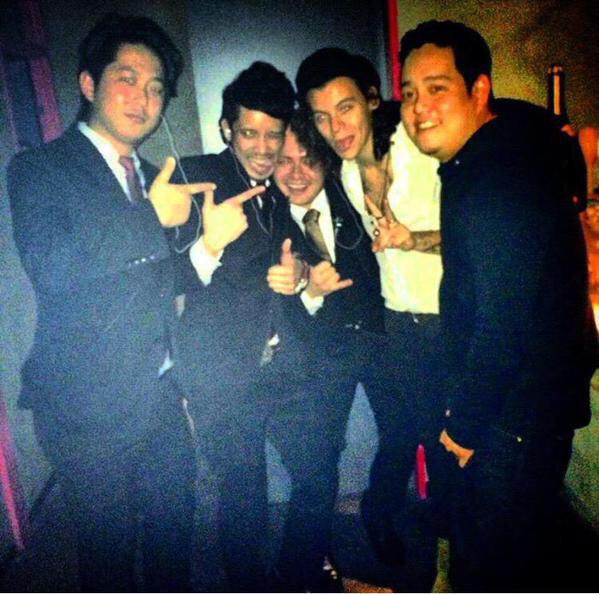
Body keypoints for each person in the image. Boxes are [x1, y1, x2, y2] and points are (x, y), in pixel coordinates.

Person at [6, 13, 214, 592]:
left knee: (175, 536)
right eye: (127, 79)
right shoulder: (40, 169)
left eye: (155, 87)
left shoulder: (151, 176)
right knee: (109, 558)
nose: (143, 98)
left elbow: (159, 280)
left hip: (160, 397)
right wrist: (150, 218)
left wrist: (209, 247)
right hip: (85, 410)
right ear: (88, 83)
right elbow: (51, 266)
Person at [399, 19, 598, 592]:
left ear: (479, 90)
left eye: (437, 88)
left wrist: (463, 428)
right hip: (528, 407)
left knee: (490, 564)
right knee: (514, 552)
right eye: (409, 93)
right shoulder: (495, 155)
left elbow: (503, 323)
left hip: (514, 416)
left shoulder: (495, 178)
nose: (419, 107)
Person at [295, 47, 443, 580]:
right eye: (321, 117)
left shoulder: (422, 149)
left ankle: (446, 554)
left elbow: (476, 232)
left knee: (440, 441)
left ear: (373, 101)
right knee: (401, 435)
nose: (336, 128)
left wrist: (415, 238)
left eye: (346, 108)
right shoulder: (343, 174)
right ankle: (378, 516)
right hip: (394, 325)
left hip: (441, 321)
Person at [171, 62, 297, 591]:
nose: (263, 148)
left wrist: (301, 272)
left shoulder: (283, 180)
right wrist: (208, 243)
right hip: (220, 369)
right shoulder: (195, 178)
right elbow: (162, 274)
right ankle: (249, 580)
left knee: (275, 474)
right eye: (249, 133)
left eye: (274, 133)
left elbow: (294, 250)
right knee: (243, 484)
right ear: (226, 128)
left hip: (273, 361)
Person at [266, 108, 385, 590]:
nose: (296, 174)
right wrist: (308, 293)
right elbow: (278, 314)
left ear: (326, 162)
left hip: (370, 345)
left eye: (308, 160)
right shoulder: (266, 222)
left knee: (389, 441)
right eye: (284, 160)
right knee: (317, 477)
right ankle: (302, 573)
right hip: (308, 366)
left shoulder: (352, 196)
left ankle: (337, 551)